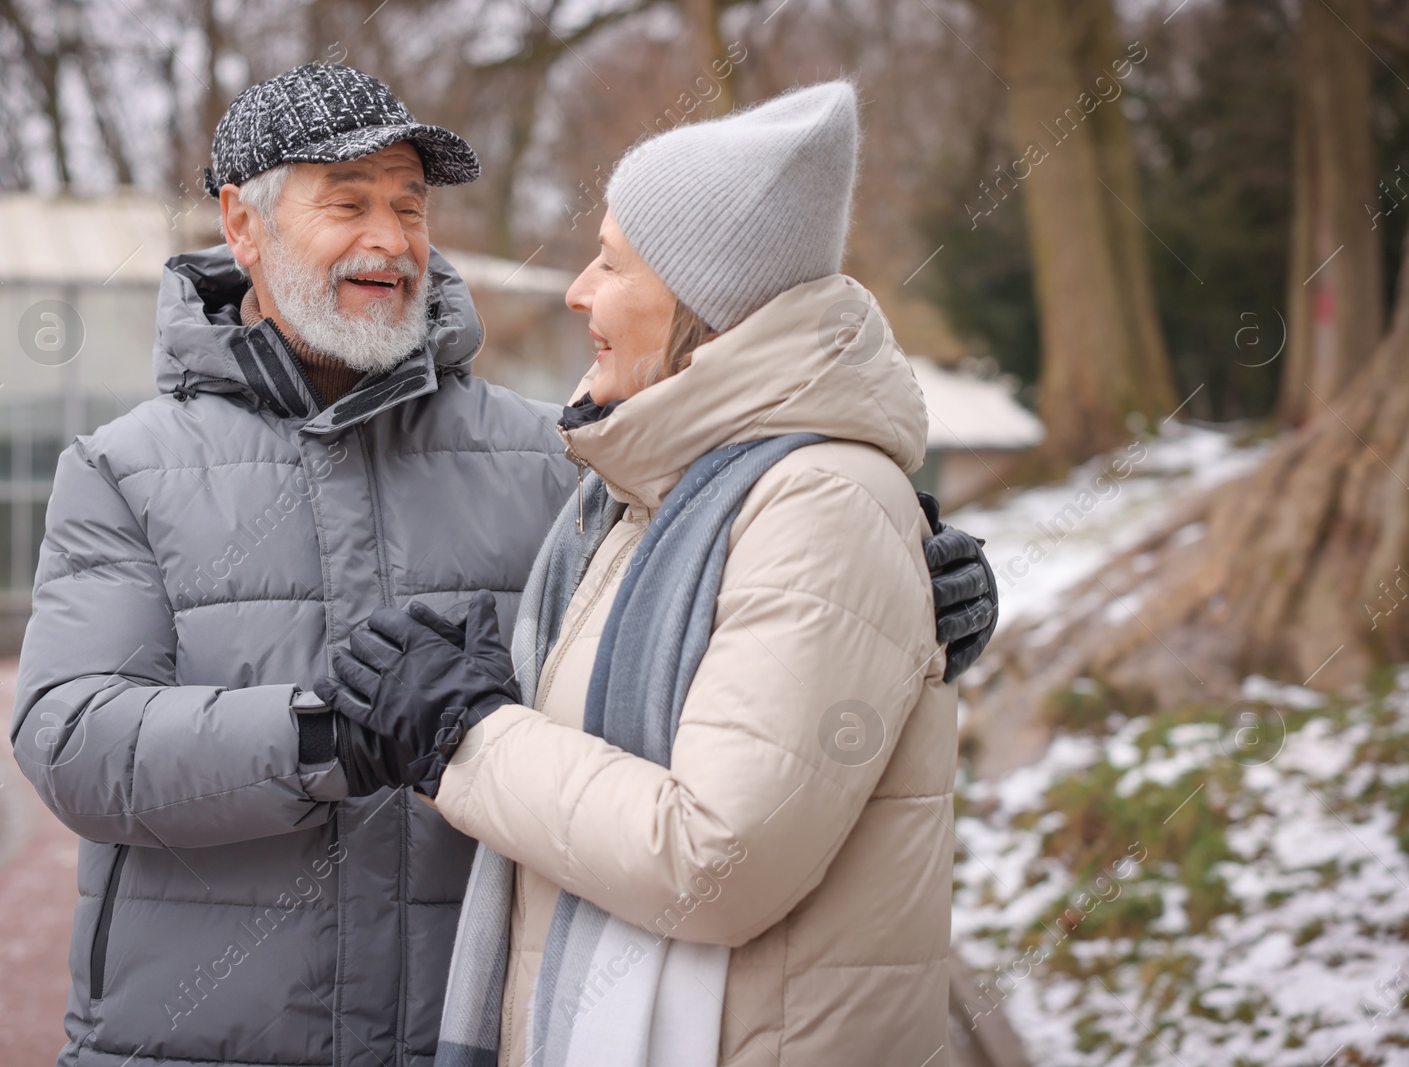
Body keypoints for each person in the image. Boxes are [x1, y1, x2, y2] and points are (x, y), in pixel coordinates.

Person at [11, 64, 993, 1067]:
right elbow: (72, 737)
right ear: (242, 225)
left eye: (409, 205)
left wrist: (903, 596)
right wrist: (329, 737)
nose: (390, 240)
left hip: (481, 1029)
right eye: (347, 204)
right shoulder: (126, 469)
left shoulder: (559, 460)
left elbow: (731, 613)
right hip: (197, 1041)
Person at [316, 81, 972, 1067]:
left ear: (701, 306)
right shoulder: (642, 497)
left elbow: (718, 859)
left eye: (612, 263)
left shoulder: (814, 502)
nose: (578, 290)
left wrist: (467, 734)